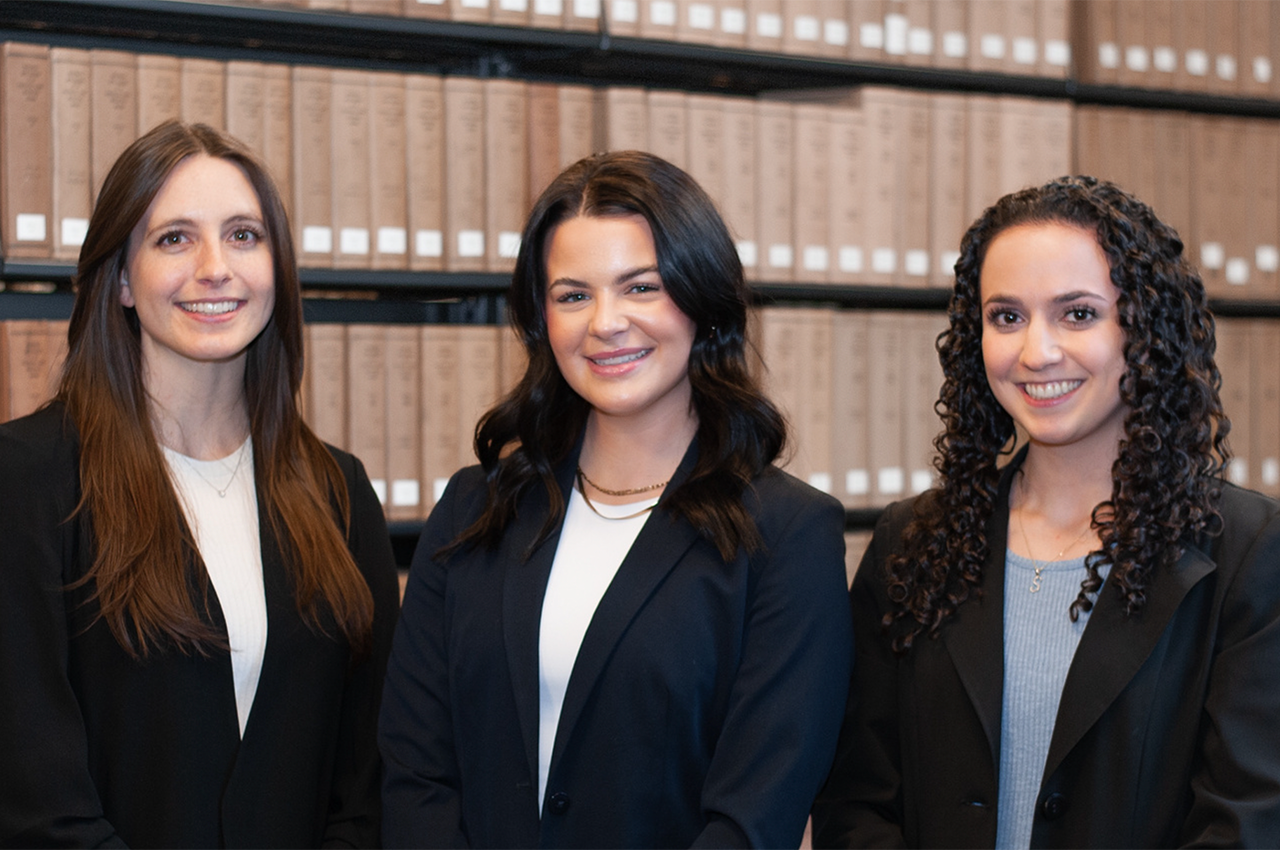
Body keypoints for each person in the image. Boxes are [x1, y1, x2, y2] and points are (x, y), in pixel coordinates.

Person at [379, 150, 852, 848]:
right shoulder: (475, 509)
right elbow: (415, 770)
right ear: (542, 320)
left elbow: (757, 815)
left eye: (640, 287)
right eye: (573, 295)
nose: (605, 322)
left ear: (701, 300)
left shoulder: (789, 534)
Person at [811, 175, 1280, 848]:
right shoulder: (913, 543)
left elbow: (1248, 822)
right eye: (1007, 317)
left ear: (1142, 330)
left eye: (1078, 313)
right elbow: (855, 802)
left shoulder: (1248, 554)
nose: (1036, 352)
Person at [0, 120, 400, 847]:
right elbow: (35, 800)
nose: (216, 267)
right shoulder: (28, 481)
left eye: (244, 235)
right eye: (174, 238)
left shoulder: (338, 493)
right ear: (121, 278)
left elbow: (367, 779)